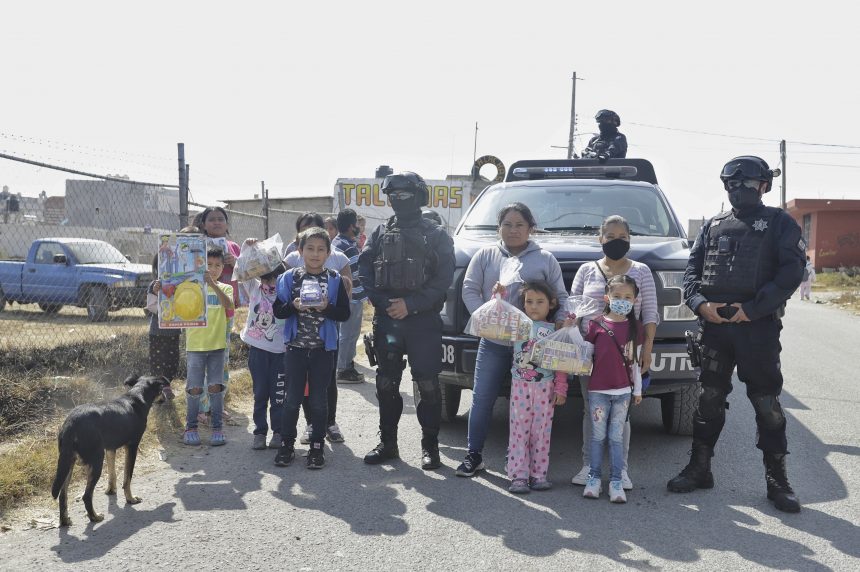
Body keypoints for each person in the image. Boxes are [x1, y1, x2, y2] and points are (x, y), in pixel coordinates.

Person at [667, 155, 805, 513]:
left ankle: (777, 481)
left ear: (763, 185)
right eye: (732, 183)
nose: (738, 188)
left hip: (756, 328)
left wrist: (754, 309)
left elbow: (792, 273)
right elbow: (691, 274)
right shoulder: (713, 225)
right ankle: (699, 469)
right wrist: (700, 304)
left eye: (746, 182)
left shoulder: (780, 224)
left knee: (767, 404)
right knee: (709, 399)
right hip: (713, 328)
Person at [455, 202, 568, 478]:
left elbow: (560, 298)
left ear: (531, 228)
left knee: (531, 405)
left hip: (532, 347)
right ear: (499, 227)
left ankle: (527, 463)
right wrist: (486, 320)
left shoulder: (545, 259)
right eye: (507, 224)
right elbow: (469, 290)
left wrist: (561, 323)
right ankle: (474, 454)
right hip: (494, 342)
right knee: (482, 397)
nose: (513, 230)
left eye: (520, 225)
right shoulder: (485, 255)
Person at [358, 171, 455, 470]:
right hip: (388, 320)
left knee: (427, 385)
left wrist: (411, 305)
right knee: (386, 384)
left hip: (422, 322)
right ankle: (388, 443)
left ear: (419, 196)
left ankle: (430, 447)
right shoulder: (379, 232)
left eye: (405, 194)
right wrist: (386, 304)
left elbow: (442, 281)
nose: (399, 200)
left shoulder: (436, 235)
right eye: (394, 195)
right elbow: (365, 271)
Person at [569, 214, 658, 490]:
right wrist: (572, 342)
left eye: (622, 237)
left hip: (626, 353)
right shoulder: (587, 270)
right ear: (600, 239)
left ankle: (621, 470)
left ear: (630, 239)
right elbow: (573, 310)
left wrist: (647, 350)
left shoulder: (641, 271)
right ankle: (588, 466)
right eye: (610, 236)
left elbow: (650, 313)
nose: (616, 241)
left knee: (623, 412)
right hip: (590, 352)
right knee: (590, 409)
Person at [272, 227, 351, 469]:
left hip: (323, 351)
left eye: (320, 249)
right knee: (292, 399)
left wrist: (326, 308)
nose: (315, 254)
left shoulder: (335, 280)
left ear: (329, 253)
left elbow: (344, 314)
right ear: (299, 250)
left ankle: (317, 446)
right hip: (295, 350)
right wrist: (294, 306)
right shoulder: (289, 278)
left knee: (318, 400)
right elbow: (278, 311)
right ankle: (287, 444)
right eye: (309, 248)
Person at [581, 275, 644, 503]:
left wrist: (637, 390)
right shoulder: (596, 324)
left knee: (616, 438)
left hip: (623, 393)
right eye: (617, 296)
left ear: (635, 300)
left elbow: (636, 363)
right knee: (597, 437)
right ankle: (594, 478)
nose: (622, 300)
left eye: (627, 297)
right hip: (597, 391)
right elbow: (585, 356)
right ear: (606, 297)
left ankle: (616, 480)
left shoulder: (635, 328)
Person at [506, 282, 568, 494]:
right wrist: (498, 295)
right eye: (529, 302)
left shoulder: (555, 330)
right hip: (520, 386)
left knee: (541, 433)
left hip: (545, 387)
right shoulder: (517, 325)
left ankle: (538, 475)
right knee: (518, 431)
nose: (534, 306)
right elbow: (497, 314)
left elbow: (561, 361)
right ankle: (518, 476)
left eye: (540, 302)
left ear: (551, 304)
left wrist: (561, 388)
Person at [182, 248, 235, 447]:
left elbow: (229, 305)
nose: (213, 269)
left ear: (223, 267)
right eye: (208, 265)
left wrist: (212, 284)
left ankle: (217, 428)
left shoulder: (225, 288)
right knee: (194, 388)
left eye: (217, 266)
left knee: (215, 388)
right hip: (195, 347)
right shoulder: (190, 287)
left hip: (217, 347)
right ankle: (191, 427)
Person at [239, 247, 287, 450]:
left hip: (281, 353)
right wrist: (247, 248)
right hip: (258, 350)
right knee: (260, 394)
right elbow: (242, 270)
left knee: (278, 394)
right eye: (266, 279)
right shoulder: (254, 288)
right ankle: (259, 432)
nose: (270, 283)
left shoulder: (287, 292)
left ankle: (278, 432)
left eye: (274, 278)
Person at [197, 207, 242, 425]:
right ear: (203, 224)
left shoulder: (233, 247)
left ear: (226, 224)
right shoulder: (196, 246)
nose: (216, 223)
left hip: (225, 310)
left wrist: (235, 263)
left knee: (221, 359)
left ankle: (217, 404)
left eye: (220, 219)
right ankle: (201, 408)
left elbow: (246, 274)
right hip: (199, 310)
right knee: (201, 360)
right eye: (211, 219)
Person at [332, 208, 367, 383]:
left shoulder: (337, 243)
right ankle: (344, 369)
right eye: (357, 224)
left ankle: (344, 364)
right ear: (351, 225)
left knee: (344, 333)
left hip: (344, 297)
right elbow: (356, 275)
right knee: (349, 334)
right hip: (352, 297)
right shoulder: (348, 247)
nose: (359, 228)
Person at [147, 255, 179, 401]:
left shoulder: (179, 284)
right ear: (157, 268)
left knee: (172, 359)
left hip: (173, 331)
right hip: (157, 331)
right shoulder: (155, 285)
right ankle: (161, 388)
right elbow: (151, 306)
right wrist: (156, 292)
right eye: (163, 266)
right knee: (157, 360)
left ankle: (166, 385)